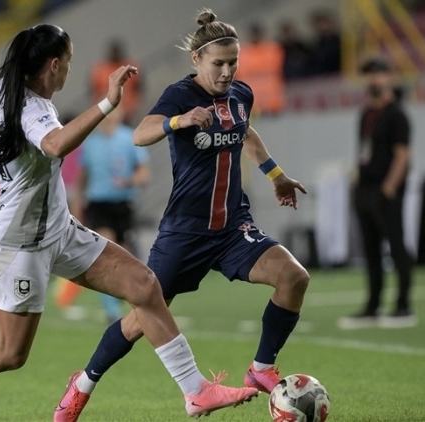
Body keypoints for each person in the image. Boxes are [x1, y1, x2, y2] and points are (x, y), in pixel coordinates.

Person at [0, 24, 258, 422]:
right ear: (54, 65)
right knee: (7, 354)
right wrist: (107, 103)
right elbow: (55, 144)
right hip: (19, 243)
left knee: (144, 286)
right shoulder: (33, 108)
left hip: (59, 230)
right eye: (69, 62)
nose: (69, 70)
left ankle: (195, 391)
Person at [54, 10, 310, 422]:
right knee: (140, 321)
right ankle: (82, 384)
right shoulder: (180, 95)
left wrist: (276, 176)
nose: (226, 72)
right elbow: (141, 134)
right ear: (197, 60)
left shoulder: (241, 95)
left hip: (233, 227)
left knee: (294, 277)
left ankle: (261, 368)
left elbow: (245, 132)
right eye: (218, 63)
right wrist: (180, 121)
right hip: (185, 232)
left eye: (233, 63)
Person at [338, 58, 416, 329]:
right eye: (369, 74)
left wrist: (389, 188)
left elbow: (402, 155)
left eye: (378, 74)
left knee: (396, 246)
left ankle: (404, 306)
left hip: (385, 191)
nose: (373, 79)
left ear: (388, 77)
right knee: (370, 251)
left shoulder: (397, 114)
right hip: (365, 190)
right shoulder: (366, 114)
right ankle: (373, 305)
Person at [55, 105, 150, 324]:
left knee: (126, 258)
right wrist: (77, 205)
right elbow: (82, 177)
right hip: (98, 204)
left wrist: (130, 180)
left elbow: (144, 173)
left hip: (123, 204)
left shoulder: (129, 138)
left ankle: (127, 301)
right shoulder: (91, 143)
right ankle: (112, 311)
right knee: (108, 252)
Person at [235, 23, 285, 115]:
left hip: (272, 99)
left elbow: (276, 66)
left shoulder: (272, 49)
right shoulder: (242, 52)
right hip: (251, 101)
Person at [90, 39, 142, 125]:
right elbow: (94, 90)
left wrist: (135, 106)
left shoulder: (130, 67)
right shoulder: (100, 69)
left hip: (127, 112)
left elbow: (139, 89)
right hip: (106, 110)